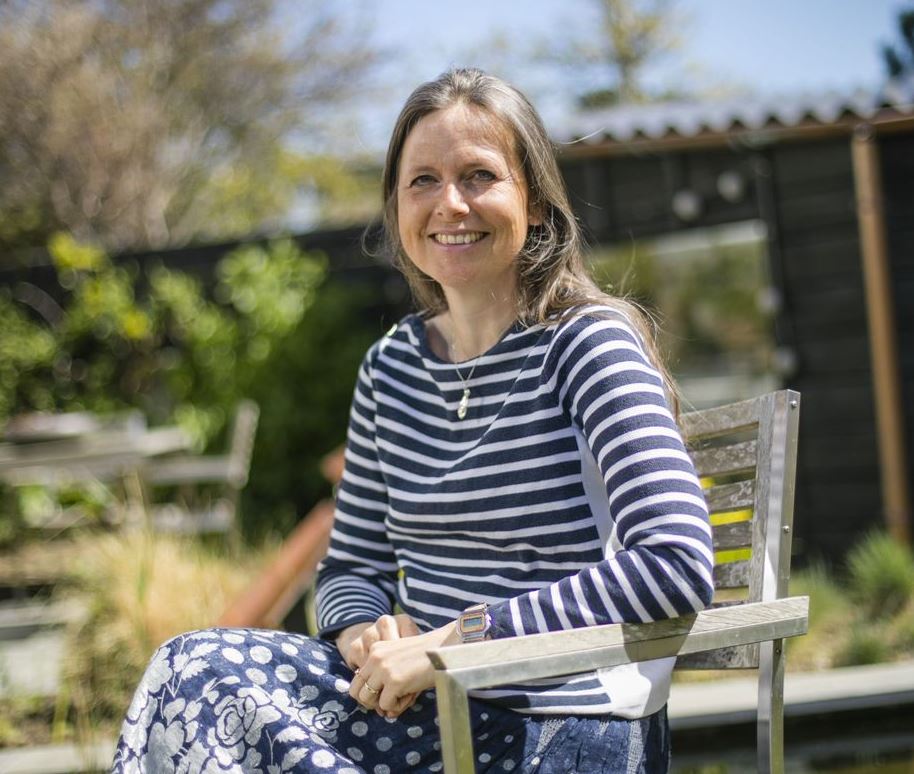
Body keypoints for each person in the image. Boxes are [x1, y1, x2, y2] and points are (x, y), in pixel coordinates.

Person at [112, 68, 714, 773]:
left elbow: (674, 561)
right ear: (397, 208)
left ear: (539, 204)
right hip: (423, 718)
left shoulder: (587, 345)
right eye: (422, 180)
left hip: (561, 720)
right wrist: (363, 630)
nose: (449, 204)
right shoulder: (390, 367)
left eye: (479, 175)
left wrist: (455, 641)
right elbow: (349, 568)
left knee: (207, 691)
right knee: (191, 672)